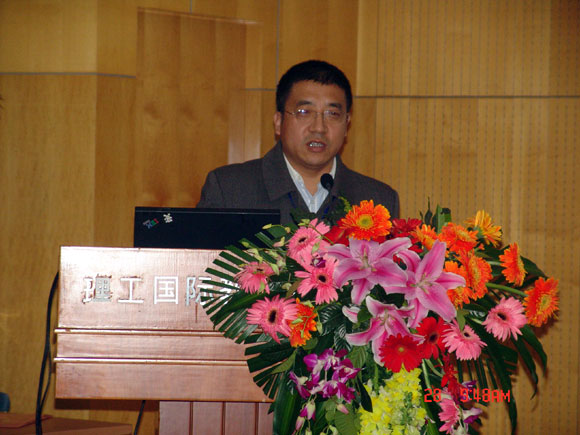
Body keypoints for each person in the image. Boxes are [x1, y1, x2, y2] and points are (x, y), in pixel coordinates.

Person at [197, 60, 399, 224]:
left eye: (332, 114)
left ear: (347, 124)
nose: (319, 127)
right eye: (304, 112)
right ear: (279, 122)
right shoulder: (229, 190)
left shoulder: (377, 200)